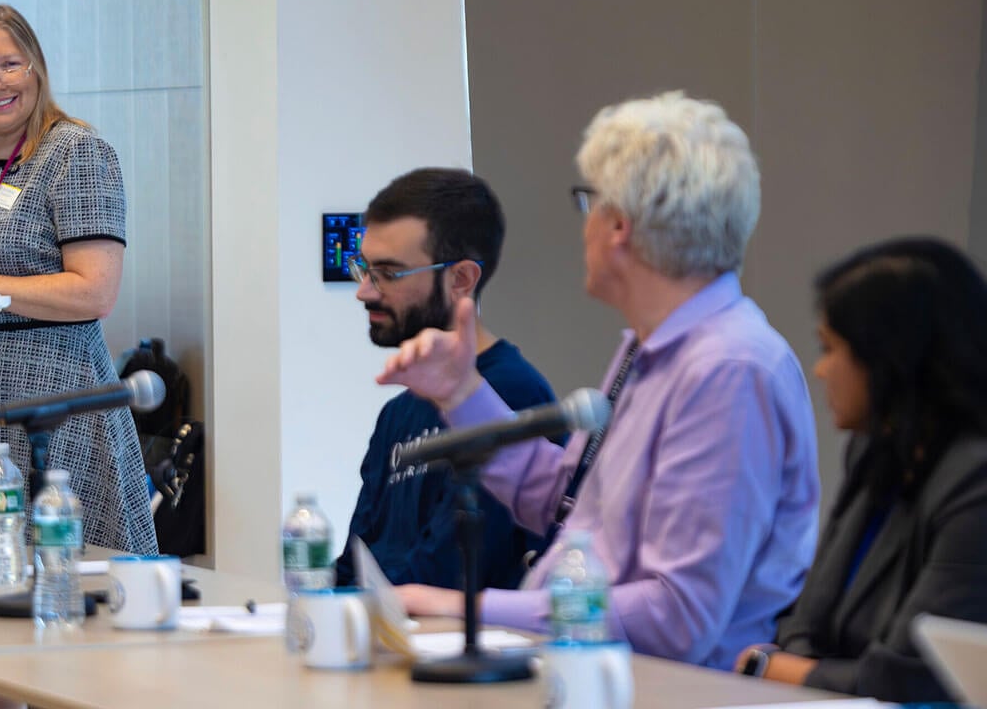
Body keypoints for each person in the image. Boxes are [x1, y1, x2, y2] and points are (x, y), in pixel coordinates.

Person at [378, 91, 820, 669]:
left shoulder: (728, 372)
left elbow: (676, 614)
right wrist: (460, 392)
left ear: (617, 227)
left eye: (588, 203)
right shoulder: (651, 345)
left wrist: (467, 610)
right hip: (592, 671)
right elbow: (564, 502)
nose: (582, 226)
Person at [0, 3, 158, 554]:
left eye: (10, 64)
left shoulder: (76, 153)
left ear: (36, 71)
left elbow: (96, 291)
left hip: (54, 396)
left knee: (64, 577)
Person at [736, 237, 987, 702]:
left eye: (831, 349)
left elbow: (913, 678)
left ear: (888, 359)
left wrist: (770, 668)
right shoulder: (873, 452)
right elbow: (804, 623)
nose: (820, 369)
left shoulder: (974, 483)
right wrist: (788, 666)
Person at [333, 168, 556, 591]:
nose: (365, 291)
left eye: (389, 273)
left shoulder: (511, 395)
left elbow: (447, 575)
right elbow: (357, 564)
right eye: (364, 268)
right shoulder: (396, 414)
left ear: (461, 280)